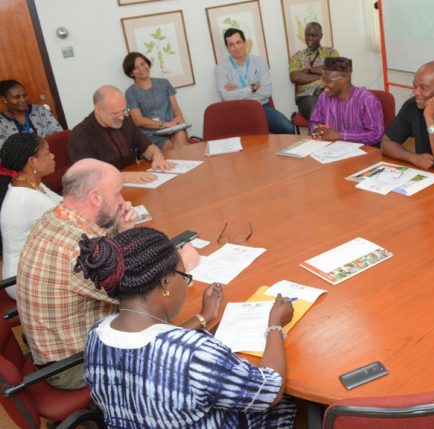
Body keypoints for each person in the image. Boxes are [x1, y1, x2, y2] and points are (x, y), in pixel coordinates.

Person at [15, 158, 215, 390]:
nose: (123, 201)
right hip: (72, 364)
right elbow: (139, 291)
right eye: (118, 194)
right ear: (95, 197)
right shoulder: (77, 252)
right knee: (182, 358)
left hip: (56, 341)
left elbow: (109, 259)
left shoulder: (56, 217)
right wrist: (182, 266)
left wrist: (122, 231)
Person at [81, 227, 296, 428]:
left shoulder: (96, 334)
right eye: (184, 276)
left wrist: (203, 317)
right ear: (165, 283)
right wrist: (275, 325)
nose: (186, 284)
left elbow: (151, 351)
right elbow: (271, 390)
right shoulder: (195, 354)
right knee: (287, 402)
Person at [69, 85, 176, 184]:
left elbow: (145, 146)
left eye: (124, 111)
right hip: (106, 188)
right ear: (98, 109)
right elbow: (88, 177)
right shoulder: (80, 136)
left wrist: (156, 156)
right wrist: (126, 177)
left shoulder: (125, 120)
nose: (121, 117)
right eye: (115, 113)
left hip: (136, 177)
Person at [0, 133, 60, 300]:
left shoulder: (31, 184)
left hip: (37, 265)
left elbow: (64, 206)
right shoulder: (27, 198)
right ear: (32, 161)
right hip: (23, 279)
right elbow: (70, 222)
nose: (53, 156)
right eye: (48, 152)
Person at [215, 28, 294, 135]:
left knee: (289, 128)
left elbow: (266, 91)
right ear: (227, 48)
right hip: (236, 111)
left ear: (245, 42)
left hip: (261, 107)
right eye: (231, 44)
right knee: (245, 140)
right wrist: (251, 88)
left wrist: (237, 92)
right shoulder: (221, 68)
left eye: (238, 42)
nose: (236, 47)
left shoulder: (259, 62)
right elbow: (226, 97)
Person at [309, 57, 384, 146]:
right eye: (323, 79)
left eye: (327, 81)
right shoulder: (324, 97)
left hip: (361, 153)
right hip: (329, 151)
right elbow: (314, 122)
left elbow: (376, 134)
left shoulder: (366, 100)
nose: (324, 84)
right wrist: (318, 130)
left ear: (343, 80)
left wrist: (340, 135)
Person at [122, 52, 189, 150]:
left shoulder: (164, 83)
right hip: (151, 133)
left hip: (172, 128)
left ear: (147, 64)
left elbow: (176, 108)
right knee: (173, 148)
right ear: (131, 73)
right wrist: (164, 124)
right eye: (136, 67)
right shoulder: (130, 92)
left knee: (181, 136)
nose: (141, 69)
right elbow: (138, 121)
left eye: (143, 64)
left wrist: (178, 118)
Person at [289, 22, 339, 120]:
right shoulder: (297, 56)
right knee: (317, 112)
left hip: (328, 93)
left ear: (321, 36)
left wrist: (306, 72)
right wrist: (319, 73)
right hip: (306, 97)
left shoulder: (331, 52)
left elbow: (334, 73)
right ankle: (320, 133)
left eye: (314, 35)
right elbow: (295, 77)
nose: (310, 38)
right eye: (307, 35)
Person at [0, 80, 62, 151]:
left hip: (49, 155)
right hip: (20, 161)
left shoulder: (41, 111)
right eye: (17, 97)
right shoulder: (1, 122)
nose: (23, 100)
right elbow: (3, 151)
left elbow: (59, 135)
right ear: (4, 99)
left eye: (25, 95)